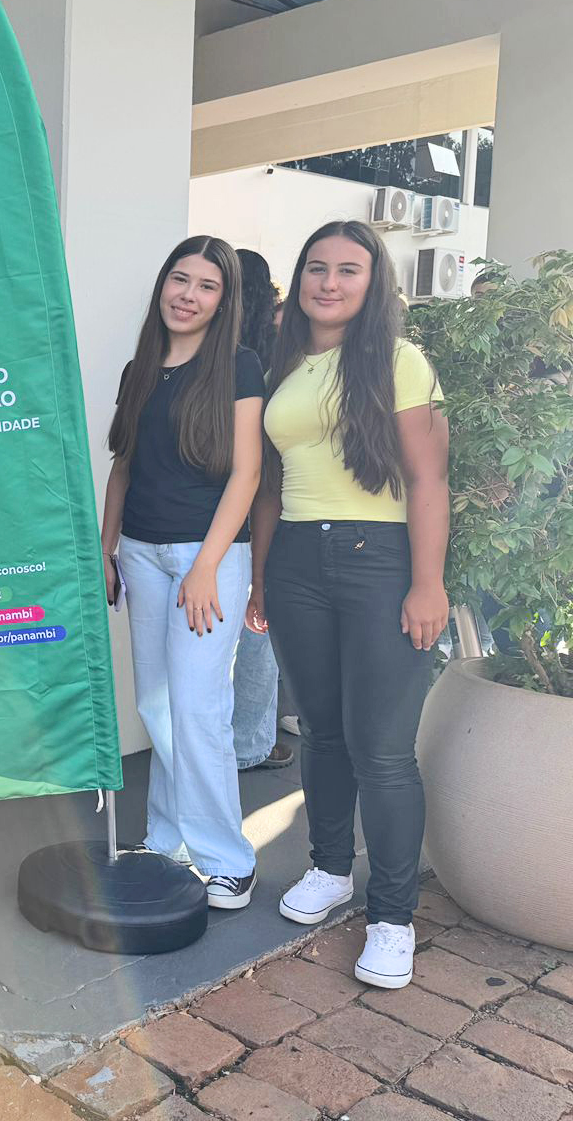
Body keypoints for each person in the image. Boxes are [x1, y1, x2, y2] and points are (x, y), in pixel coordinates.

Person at [248, 219, 448, 989]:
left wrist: (426, 582)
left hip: (380, 559)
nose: (328, 282)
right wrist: (262, 577)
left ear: (374, 283)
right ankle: (330, 869)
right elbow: (272, 483)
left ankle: (392, 916)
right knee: (323, 733)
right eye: (316, 268)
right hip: (297, 560)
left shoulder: (398, 361)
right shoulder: (288, 365)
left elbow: (428, 478)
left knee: (383, 748)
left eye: (348, 269)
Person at [100, 236, 262, 909]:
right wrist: (105, 549)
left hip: (207, 557)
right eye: (179, 279)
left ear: (224, 301)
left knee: (198, 709)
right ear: (163, 284)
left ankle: (229, 859)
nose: (188, 295)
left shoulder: (240, 366)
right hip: (141, 554)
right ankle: (167, 840)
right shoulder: (140, 368)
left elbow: (247, 473)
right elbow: (124, 465)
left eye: (206, 286)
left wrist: (206, 566)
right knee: (158, 706)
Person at [229, 250, 293, 775]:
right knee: (260, 621)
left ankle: (213, 738)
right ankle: (251, 741)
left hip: (218, 493)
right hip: (276, 490)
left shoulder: (218, 347)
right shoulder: (281, 347)